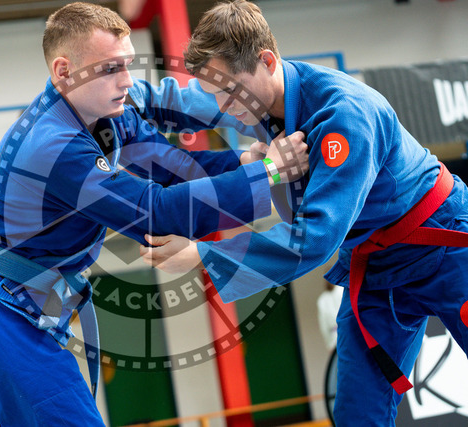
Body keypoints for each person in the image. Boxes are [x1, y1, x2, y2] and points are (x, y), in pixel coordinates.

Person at [0, 2, 309, 425]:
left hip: (13, 306)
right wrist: (269, 173)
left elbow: (172, 170)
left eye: (128, 65)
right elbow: (154, 213)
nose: (127, 81)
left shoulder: (106, 115)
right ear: (63, 71)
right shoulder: (53, 146)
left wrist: (245, 163)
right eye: (110, 69)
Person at [139, 1, 468, 425]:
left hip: (444, 244)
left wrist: (203, 255)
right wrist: (106, 99)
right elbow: (178, 101)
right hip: (376, 264)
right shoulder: (243, 94)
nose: (223, 104)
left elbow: (315, 237)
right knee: (358, 414)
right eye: (215, 91)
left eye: (230, 91)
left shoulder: (342, 113)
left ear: (266, 61)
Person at [317, 280, 343, 352]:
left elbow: (323, 326)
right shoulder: (342, 290)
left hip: (334, 339)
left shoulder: (322, 300)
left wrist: (329, 343)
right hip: (346, 333)